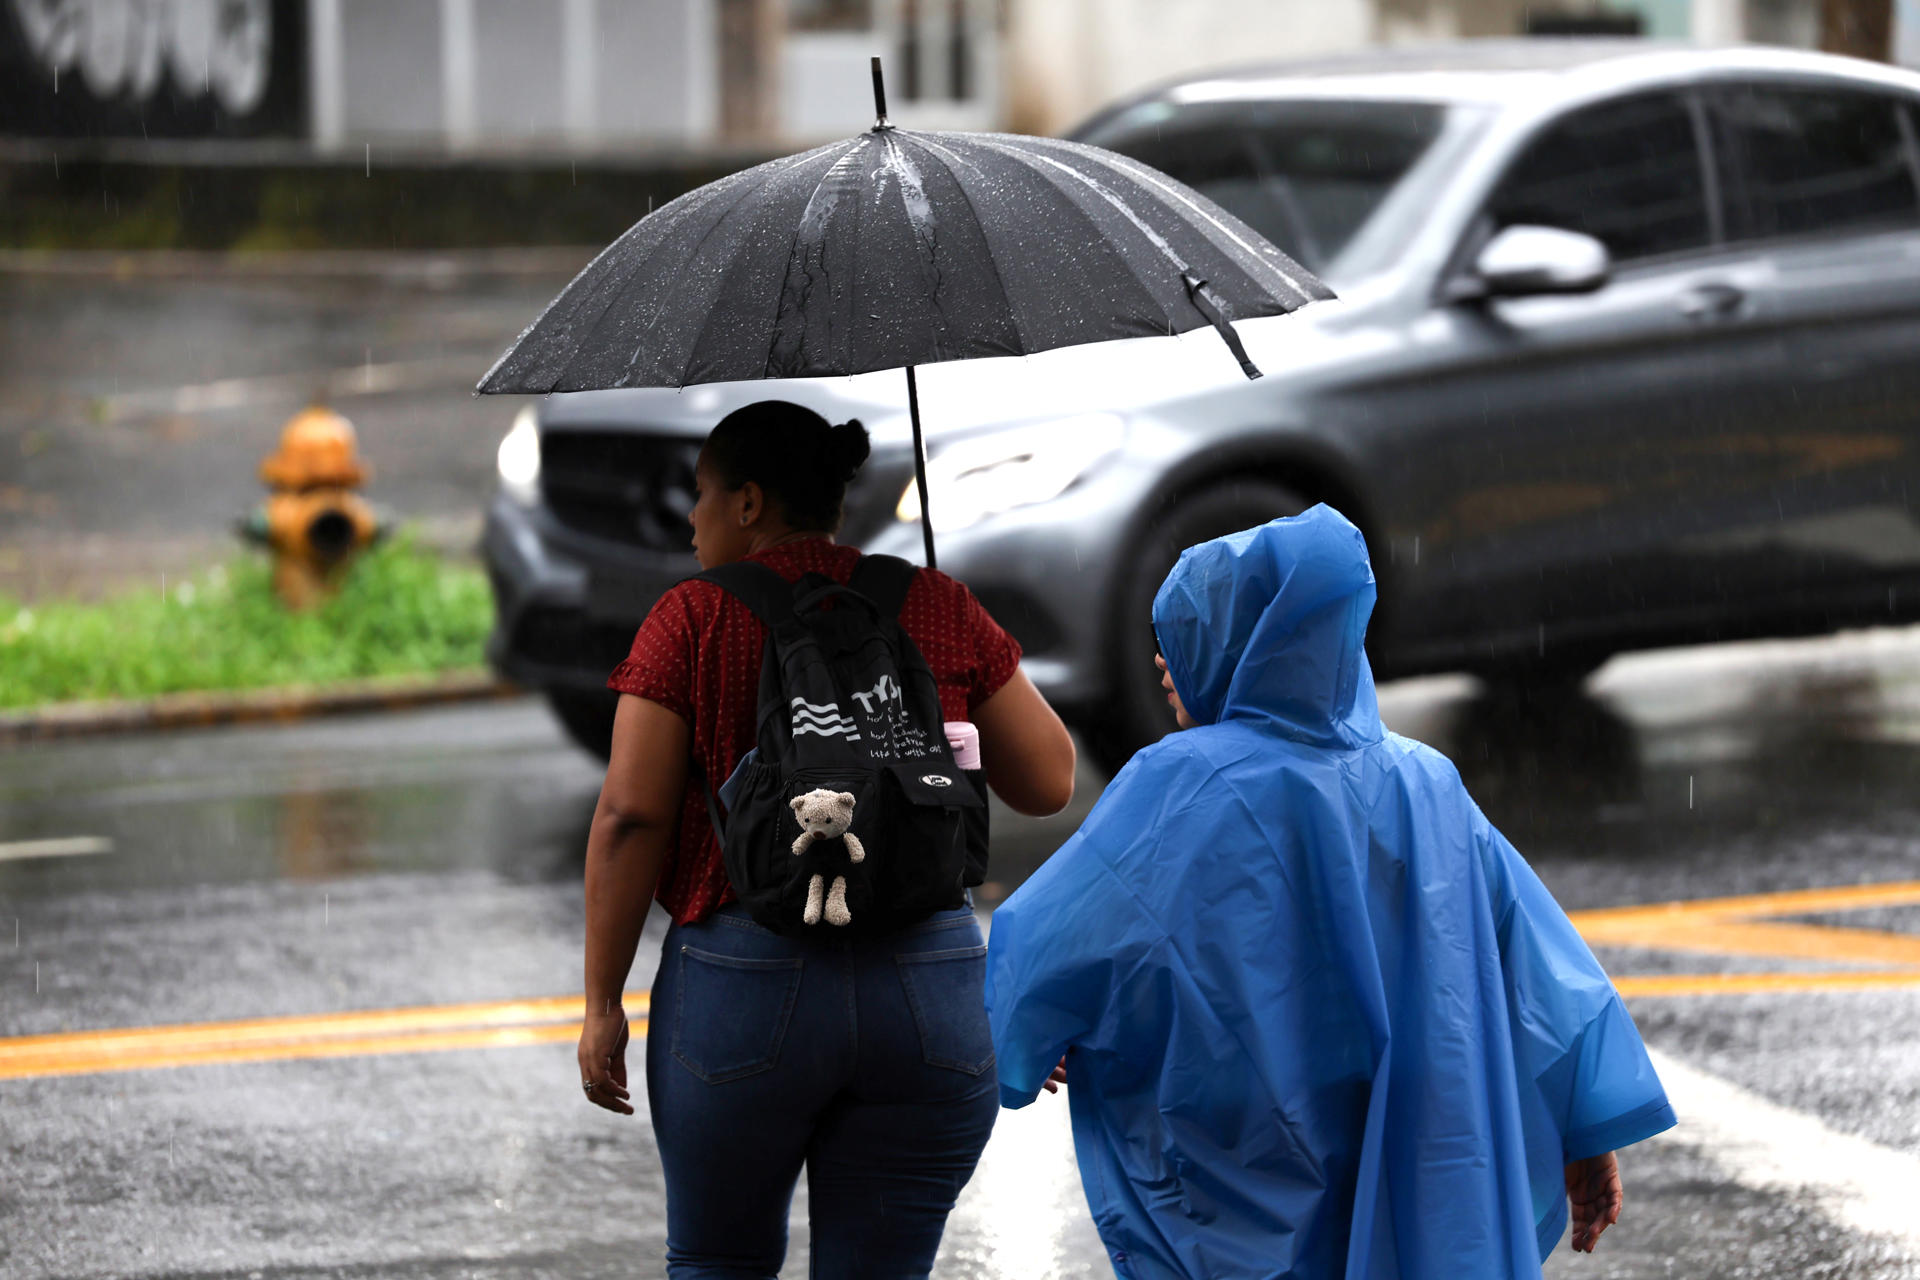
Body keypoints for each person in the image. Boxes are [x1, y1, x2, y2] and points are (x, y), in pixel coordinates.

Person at [984, 506, 1676, 1280]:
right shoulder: (1423, 781)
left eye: (1181, 642)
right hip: (1420, 1152)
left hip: (1239, 1165)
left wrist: (1034, 1022)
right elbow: (1534, 966)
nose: (1164, 665)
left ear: (1235, 648)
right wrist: (1584, 1128)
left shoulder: (1177, 783)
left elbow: (1058, 938)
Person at [575, 399, 1078, 1279]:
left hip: (744, 987)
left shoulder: (691, 618)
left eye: (700, 495)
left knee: (718, 1260)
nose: (691, 518)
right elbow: (1049, 780)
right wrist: (931, 653)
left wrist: (601, 1003)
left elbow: (631, 816)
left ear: (749, 503)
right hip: (930, 991)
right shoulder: (932, 601)